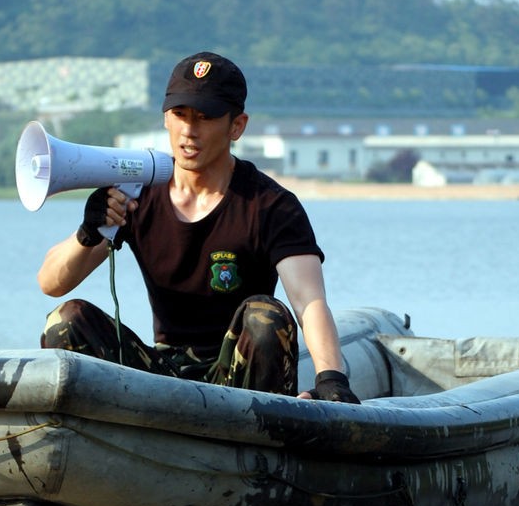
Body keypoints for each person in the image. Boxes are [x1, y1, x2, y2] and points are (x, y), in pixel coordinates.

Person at [37, 51, 359, 404]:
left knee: (266, 316)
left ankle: (259, 441)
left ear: (236, 126)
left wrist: (331, 378)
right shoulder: (136, 193)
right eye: (180, 115)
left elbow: (308, 301)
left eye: (205, 117)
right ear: (165, 118)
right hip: (159, 372)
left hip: (240, 379)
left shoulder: (270, 204)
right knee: (66, 320)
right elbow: (52, 283)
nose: (189, 131)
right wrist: (88, 231)